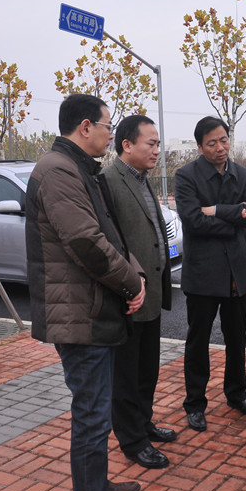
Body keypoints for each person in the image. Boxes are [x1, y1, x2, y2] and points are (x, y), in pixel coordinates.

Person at [25, 94, 145, 491]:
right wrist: (132, 285)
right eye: (108, 126)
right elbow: (86, 243)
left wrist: (137, 275)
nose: (111, 134)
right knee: (92, 417)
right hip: (79, 315)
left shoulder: (80, 168)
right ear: (86, 127)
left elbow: (110, 234)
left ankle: (95, 487)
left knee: (97, 413)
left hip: (93, 309)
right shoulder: (58, 171)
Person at [174, 116, 246, 433]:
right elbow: (193, 221)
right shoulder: (186, 176)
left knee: (237, 338)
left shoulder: (243, 174)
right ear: (200, 147)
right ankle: (195, 403)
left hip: (237, 271)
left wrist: (216, 211)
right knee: (198, 341)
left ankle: (237, 394)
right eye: (212, 143)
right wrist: (234, 216)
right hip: (203, 274)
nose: (220, 147)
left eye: (224, 140)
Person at [102, 115, 176, 470]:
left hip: (152, 294)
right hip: (129, 296)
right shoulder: (109, 181)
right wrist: (130, 283)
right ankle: (132, 441)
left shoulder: (142, 180)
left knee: (147, 370)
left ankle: (144, 424)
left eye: (158, 144)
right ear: (127, 145)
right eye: (151, 143)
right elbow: (110, 241)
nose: (157, 150)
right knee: (127, 376)